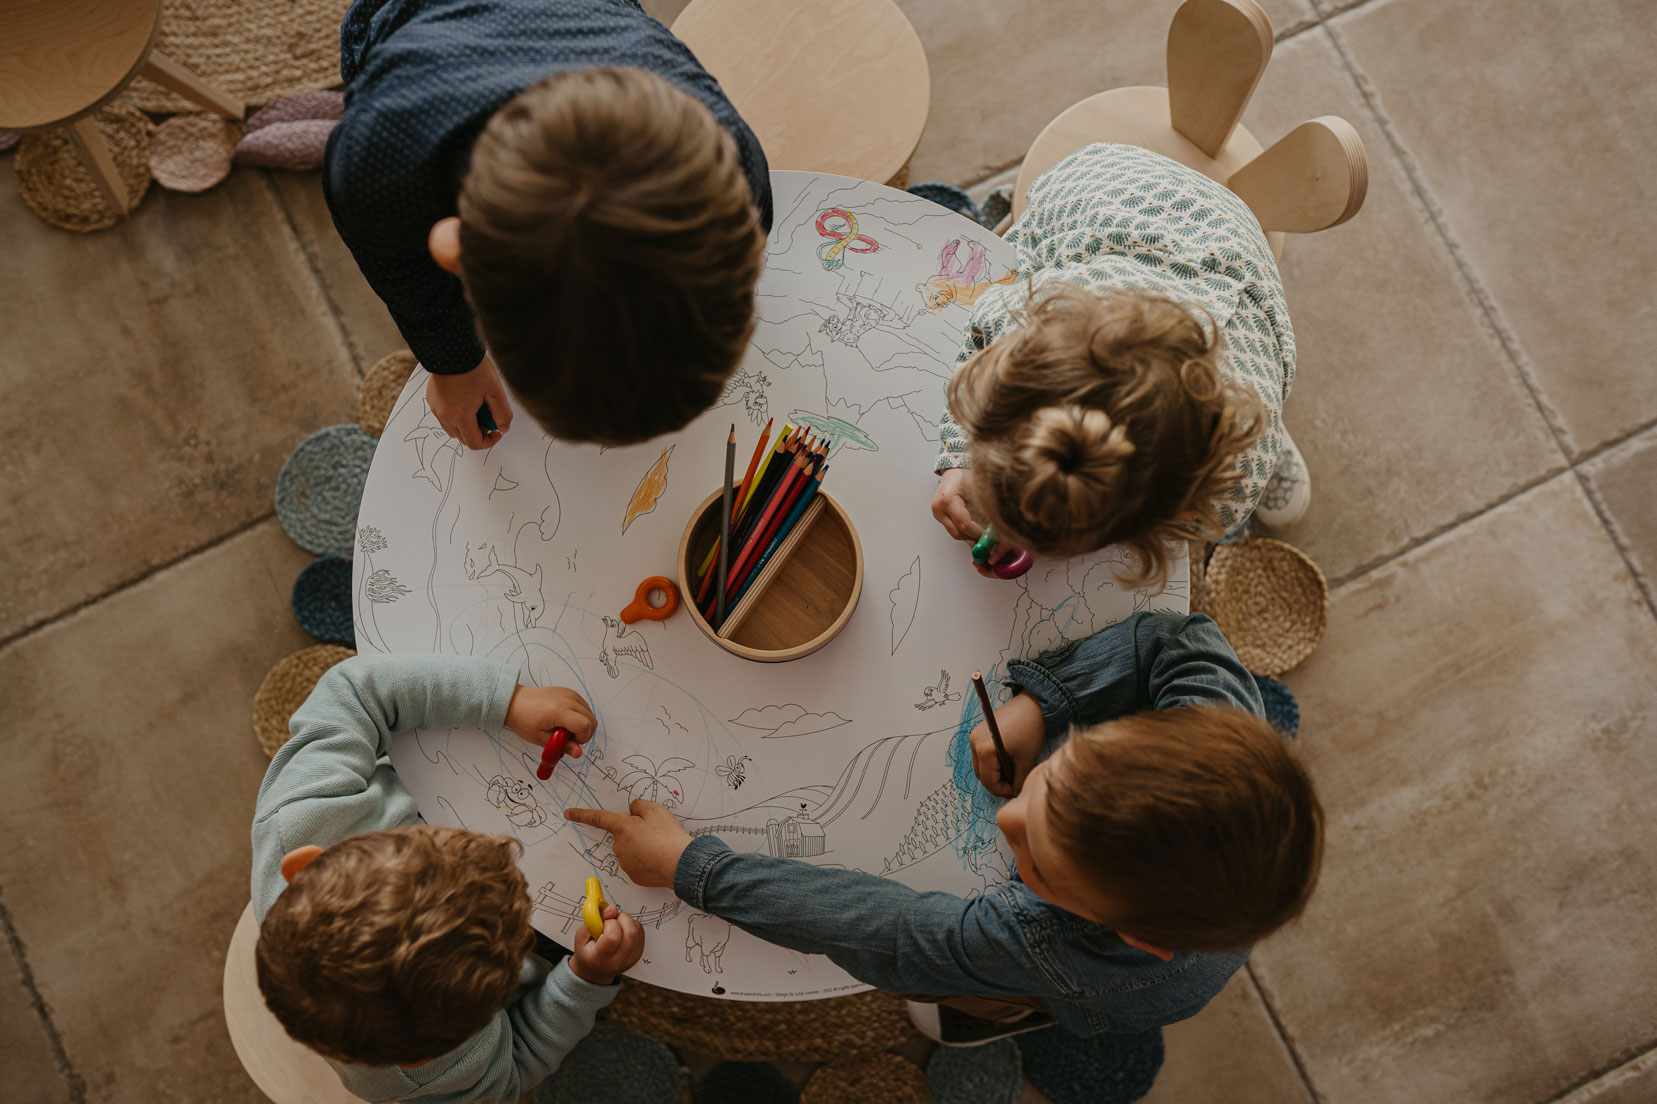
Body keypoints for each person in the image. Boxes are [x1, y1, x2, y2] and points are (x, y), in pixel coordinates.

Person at [566, 612, 1323, 1044]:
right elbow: (1179, 639)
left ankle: (1012, 1012)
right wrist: (1044, 703)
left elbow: (887, 933)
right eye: (1054, 780)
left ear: (1134, 934)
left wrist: (692, 867)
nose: (1008, 815)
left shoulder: (1056, 948)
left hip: (1107, 997)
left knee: (972, 1000)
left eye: (1040, 866)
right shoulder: (1217, 718)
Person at [324, 0, 772, 450]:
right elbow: (395, 264)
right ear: (450, 246)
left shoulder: (734, 159)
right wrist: (453, 362)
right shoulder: (375, 163)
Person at [252, 656, 643, 1102]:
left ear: (306, 865)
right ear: (427, 1057)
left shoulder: (304, 813)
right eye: (507, 936)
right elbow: (515, 1068)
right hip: (558, 939)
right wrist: (584, 979)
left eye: (431, 843)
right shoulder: (433, 1079)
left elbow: (357, 692)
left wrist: (506, 702)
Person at [929, 142, 1306, 589]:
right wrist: (959, 456)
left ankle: (1240, 430)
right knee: (1012, 270)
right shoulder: (1043, 314)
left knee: (1255, 417)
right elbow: (981, 331)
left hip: (1226, 276)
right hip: (1103, 203)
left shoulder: (1232, 492)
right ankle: (1214, 427)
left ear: (1181, 512)